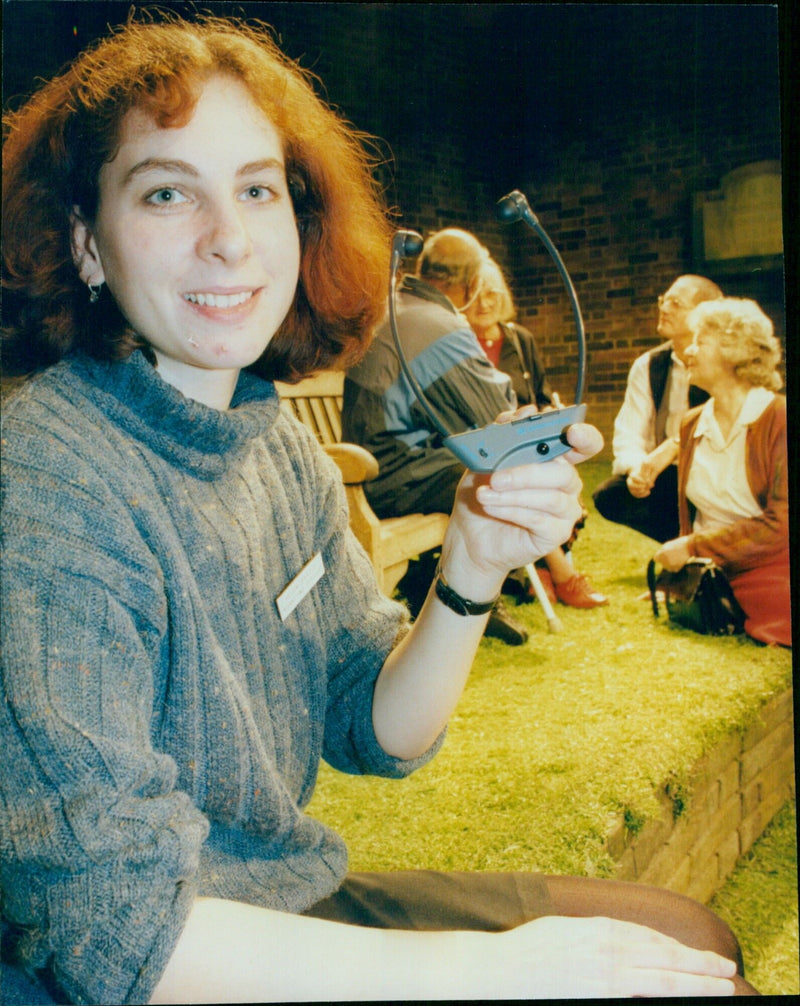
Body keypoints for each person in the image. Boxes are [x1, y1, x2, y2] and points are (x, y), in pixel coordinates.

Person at [0, 14, 756, 1004]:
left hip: (275, 908)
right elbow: (117, 931)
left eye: (257, 189)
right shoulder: (49, 480)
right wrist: (490, 969)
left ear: (297, 221)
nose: (227, 238)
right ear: (85, 243)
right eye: (165, 191)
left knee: (689, 936)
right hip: (147, 965)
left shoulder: (277, 448)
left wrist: (472, 567)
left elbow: (375, 726)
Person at [342, 227, 532, 644]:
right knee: (489, 476)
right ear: (473, 283)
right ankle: (474, 596)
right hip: (384, 478)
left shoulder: (393, 307)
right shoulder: (441, 324)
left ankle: (433, 582)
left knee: (469, 464)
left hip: (373, 465)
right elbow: (495, 413)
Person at [464, 256, 608, 609]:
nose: (484, 303)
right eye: (475, 294)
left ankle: (541, 573)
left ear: (504, 298)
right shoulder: (458, 343)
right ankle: (562, 574)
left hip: (525, 441)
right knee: (518, 481)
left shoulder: (519, 339)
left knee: (550, 475)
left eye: (492, 294)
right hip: (488, 446)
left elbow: (541, 395)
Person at [653, 298, 790, 648]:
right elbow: (693, 514)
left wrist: (694, 546)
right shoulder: (691, 423)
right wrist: (683, 574)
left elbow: (783, 524)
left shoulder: (779, 418)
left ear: (735, 350)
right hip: (710, 568)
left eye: (701, 341)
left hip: (767, 561)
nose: (688, 352)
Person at [592, 275, 723, 542]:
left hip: (716, 472)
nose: (664, 309)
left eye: (676, 303)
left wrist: (677, 444)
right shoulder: (649, 365)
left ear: (703, 313)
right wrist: (638, 471)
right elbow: (629, 431)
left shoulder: (723, 362)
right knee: (610, 495)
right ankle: (683, 545)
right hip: (668, 476)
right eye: (664, 300)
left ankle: (701, 548)